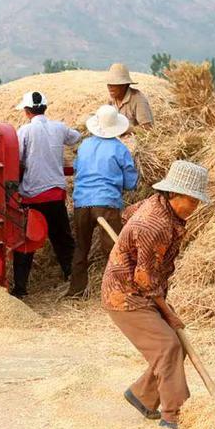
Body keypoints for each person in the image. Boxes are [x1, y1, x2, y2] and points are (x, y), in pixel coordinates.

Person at [101, 160, 210, 429]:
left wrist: (129, 245)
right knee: (168, 347)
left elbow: (127, 214)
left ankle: (142, 395)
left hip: (143, 290)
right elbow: (143, 278)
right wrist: (167, 311)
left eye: (197, 200)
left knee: (173, 346)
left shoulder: (157, 205)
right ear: (174, 194)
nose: (195, 207)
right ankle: (175, 414)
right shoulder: (155, 225)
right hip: (126, 296)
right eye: (192, 200)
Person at [12, 91, 81, 298]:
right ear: (45, 108)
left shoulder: (24, 132)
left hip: (31, 197)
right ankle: (73, 279)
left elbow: (18, 159)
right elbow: (76, 137)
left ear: (26, 111)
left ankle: (21, 289)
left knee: (26, 242)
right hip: (55, 195)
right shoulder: (59, 128)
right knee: (63, 239)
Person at [64, 105, 138, 298]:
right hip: (107, 204)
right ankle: (115, 291)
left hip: (82, 203)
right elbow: (131, 183)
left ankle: (76, 290)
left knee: (81, 247)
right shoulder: (119, 149)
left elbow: (77, 170)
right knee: (113, 249)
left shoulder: (85, 146)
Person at [107, 63, 154, 133]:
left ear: (124, 85)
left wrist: (125, 129)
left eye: (114, 84)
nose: (110, 87)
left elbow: (148, 128)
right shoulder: (112, 99)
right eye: (109, 84)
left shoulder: (138, 99)